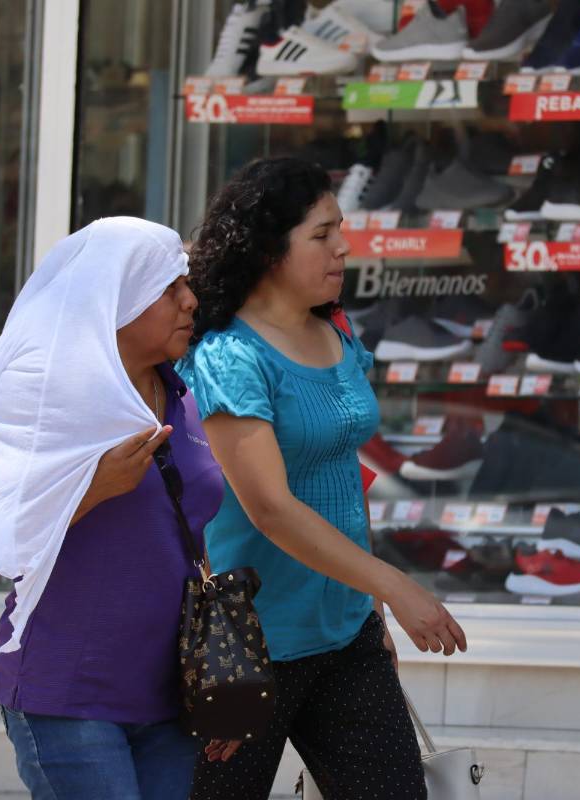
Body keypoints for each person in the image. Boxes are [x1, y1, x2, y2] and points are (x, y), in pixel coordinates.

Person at [179, 157, 468, 800]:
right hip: (247, 645)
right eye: (321, 234)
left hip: (344, 633)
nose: (344, 246)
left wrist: (369, 606)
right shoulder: (229, 356)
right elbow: (270, 509)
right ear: (267, 247)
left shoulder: (335, 328)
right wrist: (396, 587)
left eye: (341, 228)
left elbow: (342, 478)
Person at [0, 217, 221, 800]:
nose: (190, 301)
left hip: (169, 695)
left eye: (186, 284)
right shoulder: (44, 394)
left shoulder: (181, 395)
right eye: (169, 289)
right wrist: (93, 487)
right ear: (117, 298)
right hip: (69, 695)